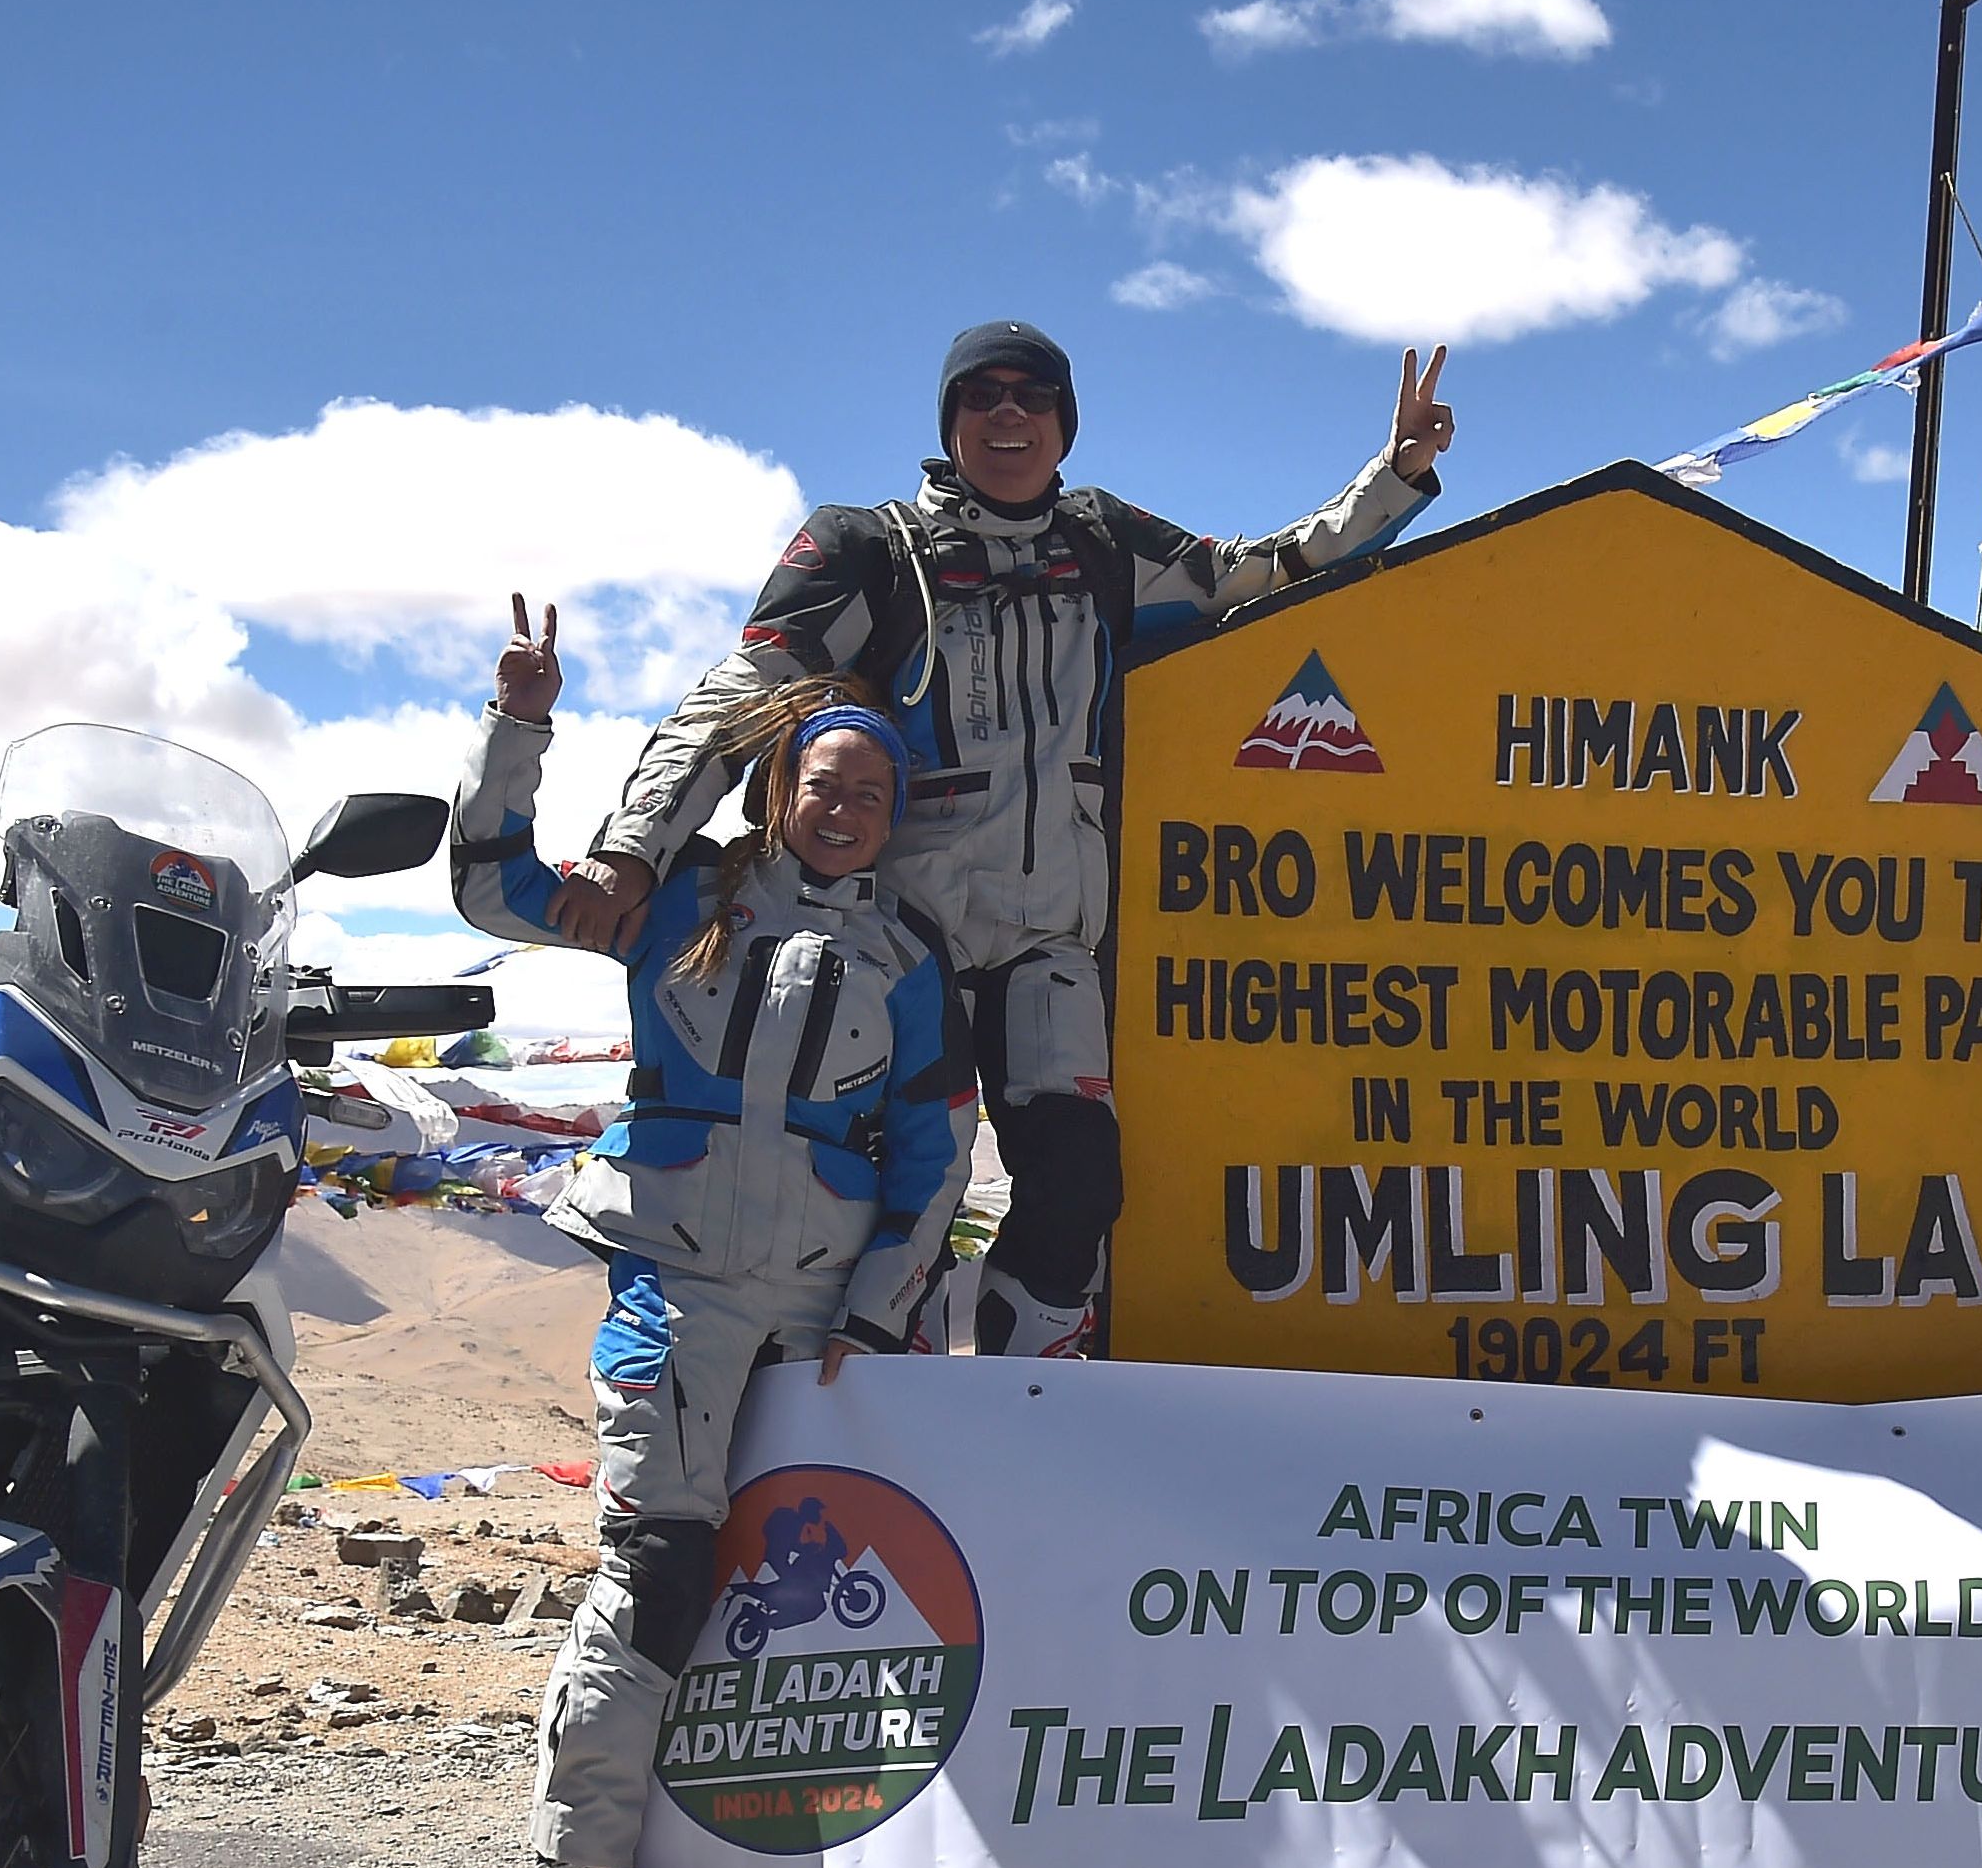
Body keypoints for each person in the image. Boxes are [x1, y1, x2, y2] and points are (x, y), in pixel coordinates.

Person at [549, 324, 1458, 1359]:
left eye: (1034, 395)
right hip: (893, 943)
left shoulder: (1105, 543)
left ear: (1066, 424)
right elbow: (742, 695)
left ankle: (1023, 1394)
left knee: (1079, 1187)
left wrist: (1395, 475)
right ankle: (864, 1394)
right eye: (982, 395)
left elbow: (1261, 574)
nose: (1009, 413)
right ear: (950, 421)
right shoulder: (868, 549)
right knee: (893, 1194)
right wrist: (635, 844)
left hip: (1053, 942)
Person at [455, 596, 977, 1868]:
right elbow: (490, 885)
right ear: (776, 788)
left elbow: (935, 1146)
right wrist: (520, 725)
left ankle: (801, 1865)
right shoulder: (674, 900)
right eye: (824, 784)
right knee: (660, 1572)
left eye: (874, 790)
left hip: (823, 1327)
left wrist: (880, 1305)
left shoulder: (911, 957)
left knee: (812, 1586)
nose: (847, 808)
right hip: (673, 1295)